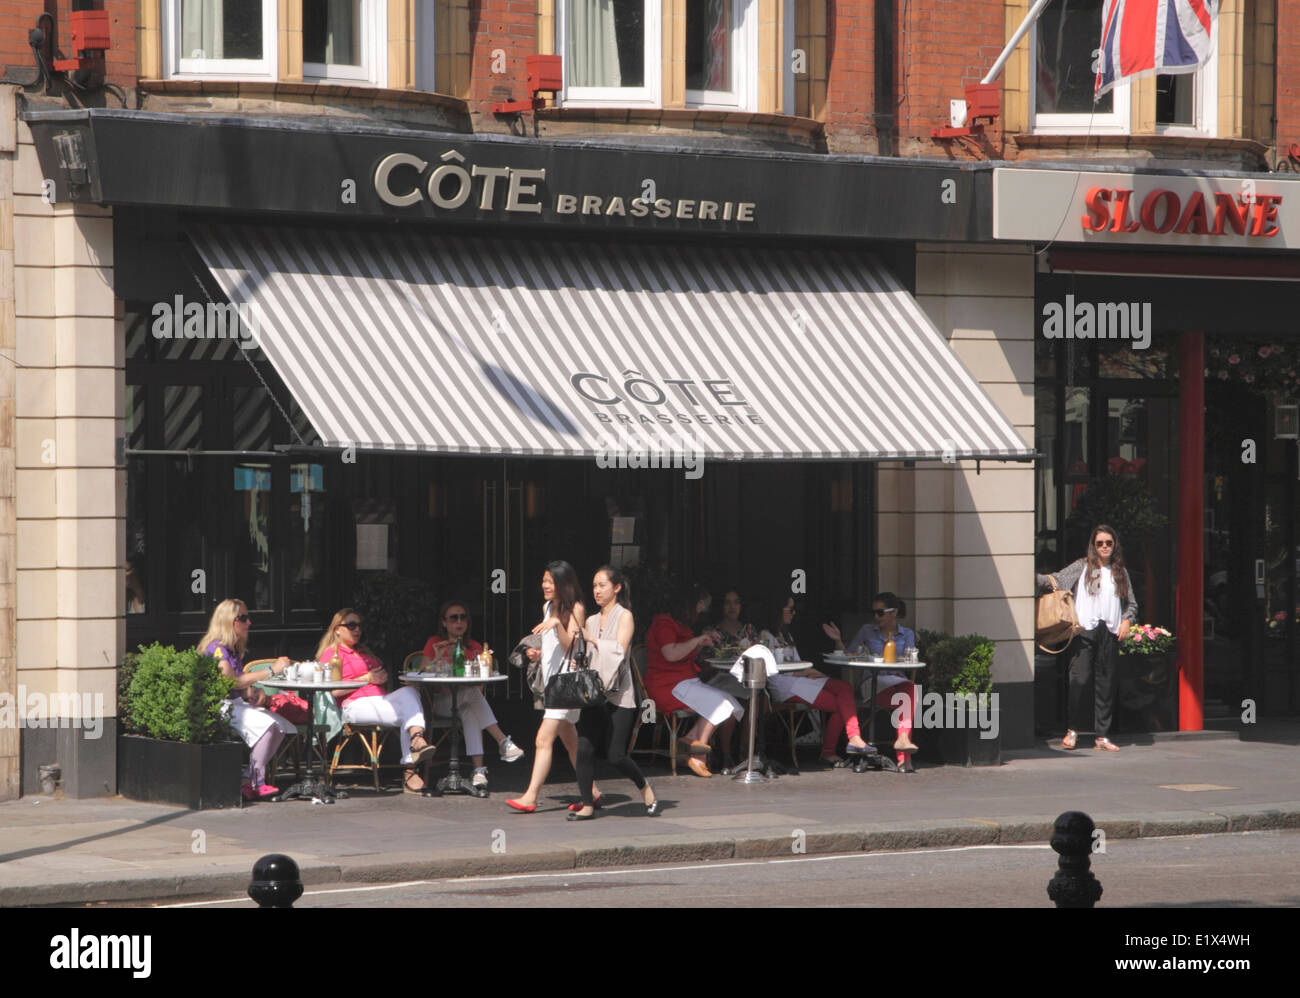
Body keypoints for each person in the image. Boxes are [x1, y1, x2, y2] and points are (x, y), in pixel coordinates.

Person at [506, 562, 600, 812]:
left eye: (550, 581)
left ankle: (530, 797)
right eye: (544, 580)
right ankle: (592, 791)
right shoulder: (547, 606)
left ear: (563, 583)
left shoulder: (576, 608)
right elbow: (553, 646)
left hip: (567, 683)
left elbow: (572, 643)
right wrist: (537, 653)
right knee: (570, 741)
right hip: (552, 681)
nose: (544, 585)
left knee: (543, 738)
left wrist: (557, 624)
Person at [1036, 524, 1137, 751]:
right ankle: (1072, 730)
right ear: (1093, 545)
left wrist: (1127, 619)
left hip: (1109, 631)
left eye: (1108, 543)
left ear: (1114, 545)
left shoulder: (1120, 571)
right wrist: (1029, 577)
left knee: (1106, 684)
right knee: (1079, 681)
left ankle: (1101, 736)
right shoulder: (1082, 566)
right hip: (1084, 630)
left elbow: (1131, 603)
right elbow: (1056, 580)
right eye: (1100, 543)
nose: (1104, 547)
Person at [569, 566, 658, 820]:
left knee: (616, 755)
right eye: (594, 586)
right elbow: (589, 657)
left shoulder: (625, 616)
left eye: (602, 585)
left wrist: (593, 640)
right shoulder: (591, 620)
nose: (596, 591)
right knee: (583, 749)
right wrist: (579, 661)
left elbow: (619, 650)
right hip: (594, 694)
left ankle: (644, 786)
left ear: (616, 588)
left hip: (619, 694)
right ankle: (587, 804)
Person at [317, 609, 436, 794]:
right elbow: (334, 691)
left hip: (380, 699)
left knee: (410, 692)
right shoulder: (331, 654)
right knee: (409, 714)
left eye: (359, 625)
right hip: (354, 705)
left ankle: (416, 738)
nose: (357, 630)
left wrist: (381, 677)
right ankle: (410, 769)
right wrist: (367, 678)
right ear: (337, 629)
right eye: (351, 625)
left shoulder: (363, 652)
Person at [197, 598, 296, 801]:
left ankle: (249, 778)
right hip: (218, 706)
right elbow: (230, 681)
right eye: (242, 618)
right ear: (228, 621)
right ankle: (255, 782)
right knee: (268, 726)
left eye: (247, 617)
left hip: (234, 703)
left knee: (279, 725)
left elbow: (237, 686)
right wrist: (270, 671)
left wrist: (252, 693)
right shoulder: (217, 647)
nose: (248, 623)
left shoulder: (233, 648)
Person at [421, 600, 525, 790]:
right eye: (453, 618)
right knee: (471, 697)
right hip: (441, 702)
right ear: (444, 622)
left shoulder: (474, 647)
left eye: (463, 618)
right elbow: (422, 673)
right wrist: (438, 657)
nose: (459, 622)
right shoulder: (435, 643)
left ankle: (478, 771)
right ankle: (502, 741)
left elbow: (480, 686)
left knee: (470, 710)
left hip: (468, 700)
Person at [644, 584, 743, 778]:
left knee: (731, 704)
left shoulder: (681, 625)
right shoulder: (664, 622)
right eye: (698, 606)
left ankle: (690, 739)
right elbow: (671, 654)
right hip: (667, 685)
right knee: (719, 704)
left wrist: (701, 643)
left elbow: (683, 652)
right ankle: (698, 754)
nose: (700, 611)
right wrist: (697, 640)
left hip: (684, 681)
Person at [762, 597, 874, 766]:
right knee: (840, 706)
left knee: (844, 689)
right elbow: (774, 668)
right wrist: (810, 672)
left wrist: (808, 672)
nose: (794, 613)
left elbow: (797, 662)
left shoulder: (787, 635)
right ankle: (832, 750)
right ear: (778, 610)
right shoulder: (766, 636)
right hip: (785, 685)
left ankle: (853, 738)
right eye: (790, 609)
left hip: (800, 679)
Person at [823, 591, 919, 767]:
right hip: (872, 685)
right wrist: (838, 640)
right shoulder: (868, 630)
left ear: (894, 612)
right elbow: (849, 654)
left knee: (910, 689)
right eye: (874, 612)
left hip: (897, 684)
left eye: (880, 612)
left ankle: (903, 742)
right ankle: (904, 758)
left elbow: (910, 660)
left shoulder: (907, 635)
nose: (876, 616)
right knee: (908, 694)